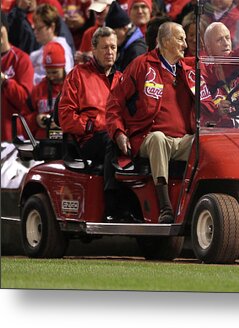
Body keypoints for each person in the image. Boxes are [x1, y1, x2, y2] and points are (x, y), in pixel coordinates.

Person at [106, 22, 214, 224]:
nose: (185, 44)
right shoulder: (142, 65)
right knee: (158, 139)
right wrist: (119, 133)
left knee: (205, 143)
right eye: (180, 39)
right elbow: (114, 103)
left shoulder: (188, 68)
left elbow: (220, 63)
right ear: (165, 41)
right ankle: (165, 207)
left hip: (182, 141)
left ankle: (201, 201)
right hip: (147, 138)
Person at [58, 27, 124, 222]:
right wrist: (91, 125)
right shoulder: (77, 75)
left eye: (113, 47)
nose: (109, 52)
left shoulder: (122, 79)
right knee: (111, 140)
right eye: (104, 48)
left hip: (114, 135)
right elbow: (65, 116)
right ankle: (112, 205)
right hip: (87, 141)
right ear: (93, 50)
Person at [1, 14, 34, 142]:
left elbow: (25, 101)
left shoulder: (21, 59)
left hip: (12, 138)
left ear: (6, 28)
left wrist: (5, 81)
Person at [25, 41, 66, 140]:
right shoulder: (38, 89)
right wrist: (36, 119)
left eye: (55, 72)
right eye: (48, 72)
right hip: (43, 143)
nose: (51, 76)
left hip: (67, 142)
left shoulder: (73, 87)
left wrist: (63, 121)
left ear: (63, 67)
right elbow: (25, 116)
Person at [30, 4, 74, 85]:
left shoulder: (62, 47)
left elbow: (64, 76)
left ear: (52, 27)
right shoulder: (38, 52)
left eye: (39, 28)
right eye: (34, 28)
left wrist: (32, 78)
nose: (35, 32)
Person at [76, 0, 116, 64]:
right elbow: (80, 65)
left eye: (102, 11)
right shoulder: (89, 33)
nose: (98, 15)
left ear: (112, 8)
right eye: (95, 11)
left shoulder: (120, 32)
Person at [104, 1, 147, 72]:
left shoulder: (136, 51)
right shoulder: (124, 47)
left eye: (114, 33)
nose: (111, 38)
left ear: (125, 29)